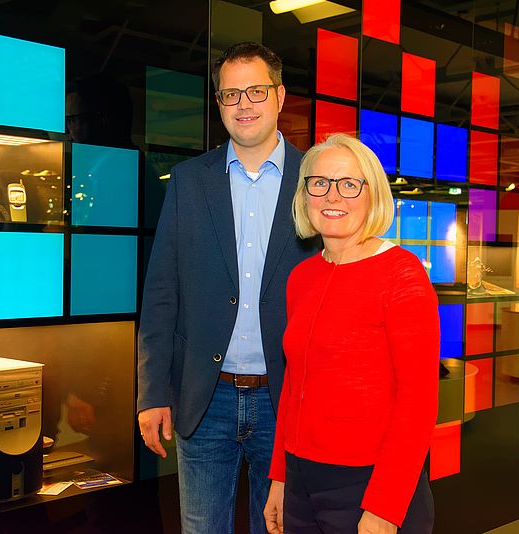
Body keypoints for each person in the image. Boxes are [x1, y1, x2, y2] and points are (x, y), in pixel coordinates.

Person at [137, 42, 318, 533]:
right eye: (230, 94)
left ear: (280, 96)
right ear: (218, 102)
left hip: (287, 399)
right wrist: (152, 392)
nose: (243, 104)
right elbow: (161, 293)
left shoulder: (315, 179)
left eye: (255, 91)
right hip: (204, 398)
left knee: (278, 528)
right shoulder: (188, 181)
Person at [264, 133, 440, 534]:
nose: (332, 196)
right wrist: (280, 477)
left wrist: (385, 508)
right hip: (301, 481)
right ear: (304, 195)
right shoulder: (301, 277)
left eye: (348, 184)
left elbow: (417, 402)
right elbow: (294, 384)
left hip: (370, 486)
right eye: (319, 183)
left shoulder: (402, 273)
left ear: (371, 193)